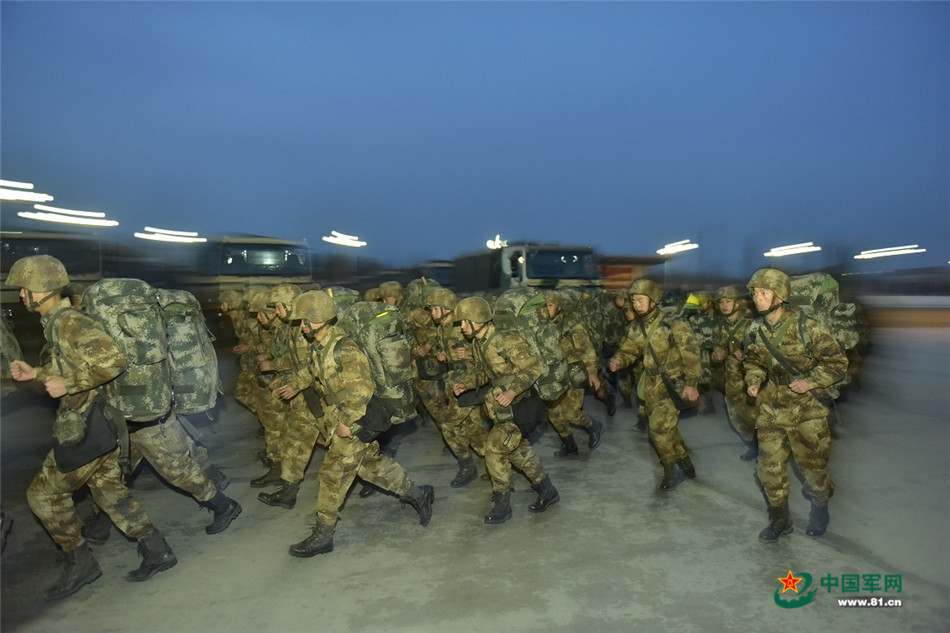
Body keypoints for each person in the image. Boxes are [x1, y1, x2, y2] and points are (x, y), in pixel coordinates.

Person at [6, 255, 176, 599]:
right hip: (100, 422)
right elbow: (72, 363)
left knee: (42, 494)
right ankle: (157, 549)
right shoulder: (56, 323)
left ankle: (81, 562)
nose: (21, 295)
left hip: (87, 425)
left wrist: (68, 384)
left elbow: (113, 360)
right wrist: (36, 374)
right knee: (108, 491)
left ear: (41, 290)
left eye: (24, 289)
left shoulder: (70, 322)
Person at [287, 291, 434, 558]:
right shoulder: (320, 346)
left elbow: (362, 390)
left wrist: (347, 423)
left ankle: (323, 535)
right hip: (337, 418)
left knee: (332, 476)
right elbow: (313, 373)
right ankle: (419, 494)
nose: (301, 326)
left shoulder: (345, 348)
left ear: (317, 319)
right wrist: (295, 385)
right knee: (373, 467)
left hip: (351, 422)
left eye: (304, 321)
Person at [743, 268, 848, 543]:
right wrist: (754, 380)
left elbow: (838, 364)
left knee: (812, 469)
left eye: (764, 293)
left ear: (780, 296)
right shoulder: (755, 328)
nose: (758, 298)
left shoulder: (807, 326)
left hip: (806, 408)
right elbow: (752, 361)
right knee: (768, 467)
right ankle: (780, 518)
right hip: (770, 406)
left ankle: (820, 506)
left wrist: (811, 381)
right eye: (755, 293)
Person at [452, 296, 559, 524]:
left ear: (478, 320)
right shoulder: (479, 343)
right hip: (502, 410)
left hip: (522, 404)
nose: (461, 327)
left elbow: (534, 367)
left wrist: (512, 391)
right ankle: (547, 490)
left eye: (464, 322)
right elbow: (485, 373)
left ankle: (503, 503)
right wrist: (467, 383)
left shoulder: (506, 339)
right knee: (519, 452)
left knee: (494, 450)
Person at [608, 279, 701, 490]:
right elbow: (629, 349)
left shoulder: (672, 323)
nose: (637, 304)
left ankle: (671, 472)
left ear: (654, 301)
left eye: (641, 300)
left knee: (658, 430)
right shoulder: (636, 327)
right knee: (668, 428)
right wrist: (619, 359)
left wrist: (692, 383)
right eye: (634, 301)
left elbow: (692, 353)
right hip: (651, 384)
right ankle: (685, 462)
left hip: (673, 382)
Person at [255, 283, 327, 509]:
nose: (275, 312)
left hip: (318, 395)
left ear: (289, 305)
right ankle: (288, 490)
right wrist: (288, 382)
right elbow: (293, 364)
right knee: (294, 442)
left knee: (349, 453)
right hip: (307, 395)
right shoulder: (291, 328)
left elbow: (312, 365)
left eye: (278, 307)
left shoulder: (303, 330)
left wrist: (295, 385)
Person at [426, 287, 488, 486]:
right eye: (431, 309)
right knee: (475, 430)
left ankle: (467, 466)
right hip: (456, 382)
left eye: (435, 308)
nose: (432, 313)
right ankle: (497, 465)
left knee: (449, 426)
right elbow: (447, 351)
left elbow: (483, 349)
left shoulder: (461, 327)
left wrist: (468, 354)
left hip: (470, 382)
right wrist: (442, 355)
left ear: (447, 308)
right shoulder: (442, 327)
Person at [542, 291, 604, 457]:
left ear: (559, 307)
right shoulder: (540, 327)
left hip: (572, 373)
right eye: (544, 305)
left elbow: (588, 350)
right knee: (554, 415)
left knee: (571, 414)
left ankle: (593, 425)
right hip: (553, 376)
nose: (546, 309)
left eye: (550, 305)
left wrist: (592, 373)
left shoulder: (572, 326)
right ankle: (569, 444)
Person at [711, 286, 757, 461]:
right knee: (736, 417)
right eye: (721, 302)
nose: (724, 305)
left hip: (750, 380)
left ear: (737, 303)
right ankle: (752, 445)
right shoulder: (721, 325)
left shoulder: (750, 325)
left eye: (728, 302)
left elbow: (763, 351)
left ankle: (764, 448)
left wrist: (746, 354)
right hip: (731, 380)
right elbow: (718, 345)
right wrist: (718, 353)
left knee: (754, 416)